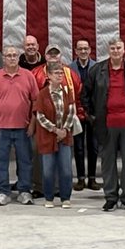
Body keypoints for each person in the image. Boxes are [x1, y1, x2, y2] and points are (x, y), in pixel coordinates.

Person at [83, 37, 125, 212]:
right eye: (112, 48)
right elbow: (85, 95)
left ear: (124, 49)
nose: (116, 51)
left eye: (119, 47)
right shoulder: (97, 70)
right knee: (108, 161)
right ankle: (111, 197)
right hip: (106, 123)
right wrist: (92, 117)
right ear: (108, 50)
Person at [0, 45, 39, 206]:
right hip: (0, 128)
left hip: (23, 128)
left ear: (18, 57)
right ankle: (3, 192)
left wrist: (32, 125)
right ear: (4, 58)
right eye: (8, 55)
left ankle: (24, 191)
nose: (12, 57)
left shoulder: (28, 76)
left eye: (14, 55)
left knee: (25, 161)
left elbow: (35, 102)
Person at [30, 44, 82, 197]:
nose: (53, 57)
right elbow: (33, 99)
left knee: (64, 160)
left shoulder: (70, 74)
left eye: (56, 54)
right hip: (44, 125)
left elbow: (77, 95)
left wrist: (66, 128)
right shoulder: (36, 73)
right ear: (45, 56)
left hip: (65, 123)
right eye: (50, 54)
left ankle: (61, 190)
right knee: (42, 159)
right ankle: (40, 188)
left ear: (60, 56)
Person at [34, 61, 77, 207]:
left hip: (64, 138)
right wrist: (54, 130)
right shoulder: (42, 94)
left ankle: (65, 198)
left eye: (61, 73)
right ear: (49, 76)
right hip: (48, 137)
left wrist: (64, 130)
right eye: (56, 73)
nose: (60, 75)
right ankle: (49, 197)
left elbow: (71, 111)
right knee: (48, 170)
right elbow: (40, 116)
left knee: (66, 169)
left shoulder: (67, 92)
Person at [71, 38, 98, 191]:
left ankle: (92, 178)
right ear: (75, 51)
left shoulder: (97, 67)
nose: (83, 51)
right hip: (76, 112)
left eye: (85, 48)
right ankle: (81, 178)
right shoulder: (69, 68)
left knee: (93, 146)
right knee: (79, 146)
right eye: (80, 49)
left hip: (93, 112)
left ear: (89, 50)